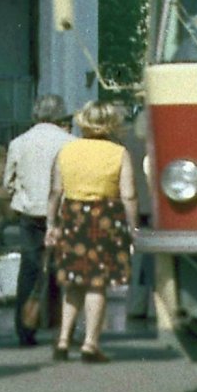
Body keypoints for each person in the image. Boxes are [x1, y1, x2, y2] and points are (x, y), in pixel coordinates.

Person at [46, 100, 137, 364]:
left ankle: (63, 341)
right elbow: (129, 195)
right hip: (105, 217)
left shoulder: (67, 151)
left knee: (73, 282)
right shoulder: (118, 153)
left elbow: (55, 192)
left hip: (72, 216)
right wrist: (133, 228)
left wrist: (51, 224)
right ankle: (90, 344)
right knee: (97, 283)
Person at [2, 94, 74, 346]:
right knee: (64, 269)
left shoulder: (19, 142)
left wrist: (22, 195)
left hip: (31, 212)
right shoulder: (70, 142)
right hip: (64, 213)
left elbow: (7, 182)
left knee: (30, 268)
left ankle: (25, 328)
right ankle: (62, 330)